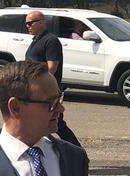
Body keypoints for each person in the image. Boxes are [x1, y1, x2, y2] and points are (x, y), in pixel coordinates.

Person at [24, 10, 81, 147]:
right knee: (38, 123)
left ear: (42, 22)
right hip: (35, 90)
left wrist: (38, 83)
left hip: (47, 91)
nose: (28, 26)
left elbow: (51, 67)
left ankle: (78, 153)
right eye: (26, 23)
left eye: (31, 23)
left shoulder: (50, 41)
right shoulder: (36, 41)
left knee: (58, 124)